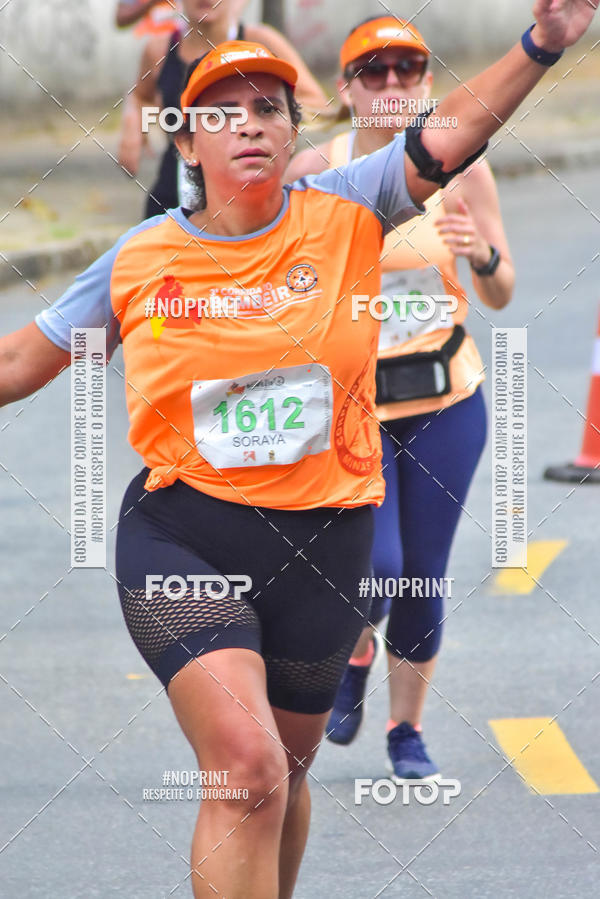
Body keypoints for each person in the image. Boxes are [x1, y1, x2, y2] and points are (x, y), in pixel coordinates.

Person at [1, 4, 596, 894]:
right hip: (183, 536)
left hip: (324, 544)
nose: (248, 123)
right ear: (187, 142)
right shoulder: (139, 258)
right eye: (222, 112)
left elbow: (451, 132)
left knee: (285, 771)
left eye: (268, 109)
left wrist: (543, 44)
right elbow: (17, 361)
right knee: (245, 768)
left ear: (291, 135)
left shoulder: (349, 208)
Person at [286, 15, 515, 781]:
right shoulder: (314, 169)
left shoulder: (464, 169)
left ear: (426, 84)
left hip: (445, 398)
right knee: (377, 568)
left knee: (422, 574)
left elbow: (501, 289)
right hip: (353, 404)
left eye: (407, 70)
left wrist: (481, 253)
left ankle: (405, 731)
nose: (391, 84)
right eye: (373, 71)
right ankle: (354, 653)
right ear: (347, 87)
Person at [118, 0, 329, 217]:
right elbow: (139, 95)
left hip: (248, 191)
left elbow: (317, 103)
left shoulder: (260, 41)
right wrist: (132, 122)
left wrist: (272, 118)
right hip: (176, 188)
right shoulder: (160, 48)